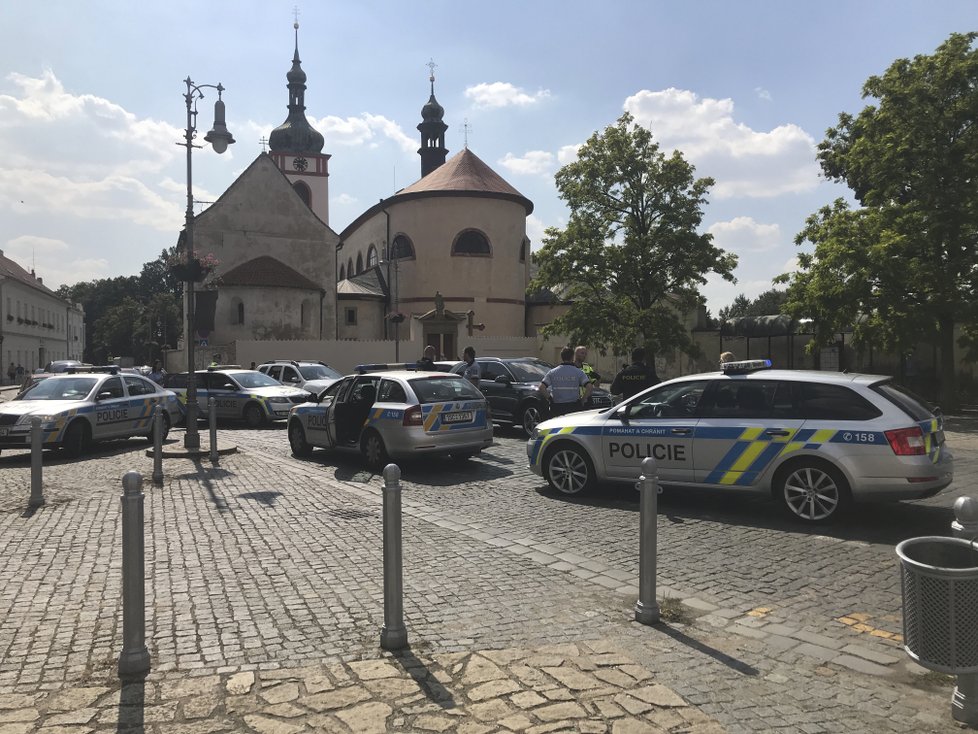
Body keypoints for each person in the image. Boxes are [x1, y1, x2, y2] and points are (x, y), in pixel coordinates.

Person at [539, 346, 591, 417]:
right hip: (574, 406)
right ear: (572, 357)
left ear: (561, 357)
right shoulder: (578, 372)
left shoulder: (553, 372)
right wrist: (582, 400)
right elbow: (589, 387)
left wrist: (550, 399)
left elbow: (542, 387)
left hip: (557, 407)